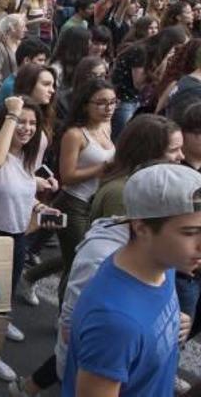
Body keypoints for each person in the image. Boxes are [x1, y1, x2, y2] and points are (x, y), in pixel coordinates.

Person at [61, 163, 201, 397]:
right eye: (189, 233)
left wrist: (174, 320)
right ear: (141, 228)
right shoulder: (115, 323)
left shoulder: (161, 263)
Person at [0, 95, 59, 382]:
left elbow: (23, 192)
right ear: (7, 121)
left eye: (33, 123)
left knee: (1, 303)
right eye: (21, 122)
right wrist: (12, 112)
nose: (27, 128)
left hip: (15, 241)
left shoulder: (26, 159)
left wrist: (40, 206)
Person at [21, 80, 116, 305]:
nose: (109, 108)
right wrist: (101, 169)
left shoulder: (107, 126)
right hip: (73, 203)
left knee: (76, 255)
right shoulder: (75, 134)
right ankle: (64, 316)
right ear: (85, 105)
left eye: (112, 102)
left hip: (95, 204)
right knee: (79, 262)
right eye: (101, 103)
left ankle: (30, 276)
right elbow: (68, 175)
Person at [89, 114, 184, 222]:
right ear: (147, 153)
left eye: (181, 149)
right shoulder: (121, 193)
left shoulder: (146, 186)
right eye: (173, 150)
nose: (181, 156)